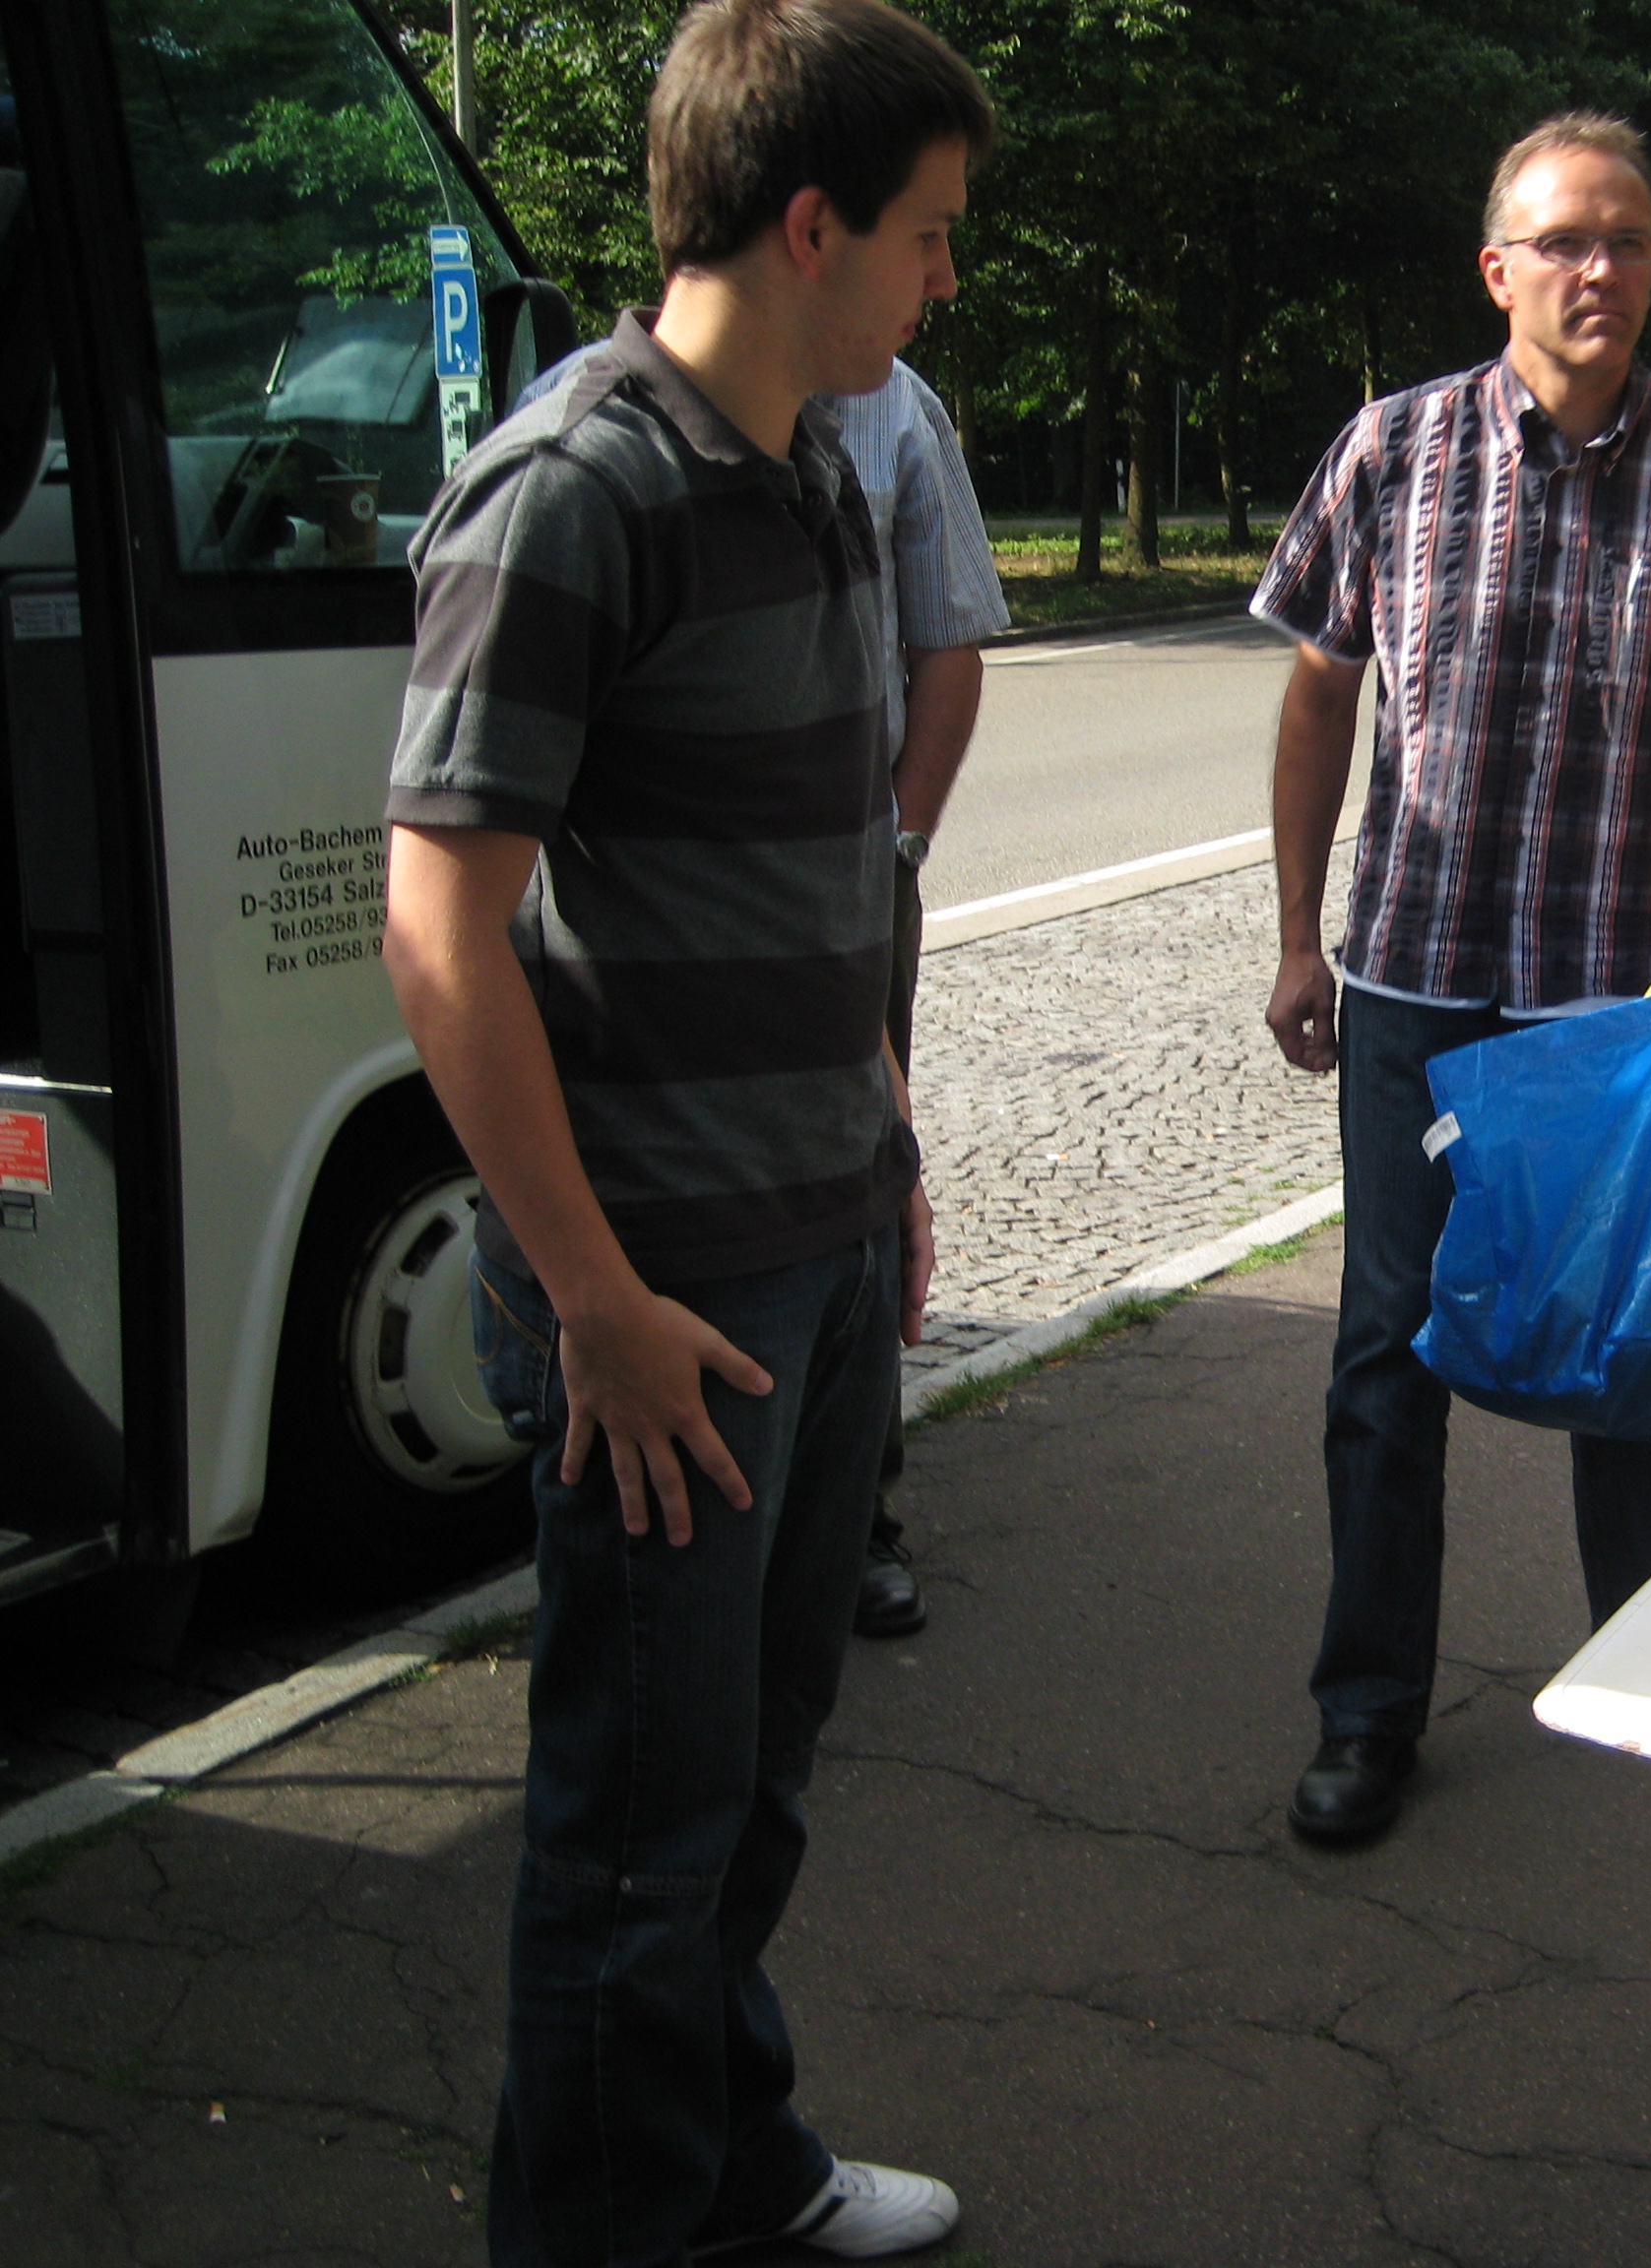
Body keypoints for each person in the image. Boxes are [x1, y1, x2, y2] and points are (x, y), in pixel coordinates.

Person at [380, 3, 990, 2258]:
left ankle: (732, 2166)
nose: (946, 280)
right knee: (632, 1839)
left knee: (747, 1788)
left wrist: (884, 1146)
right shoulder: (574, 491)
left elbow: (830, 875)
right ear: (811, 227)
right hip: (664, 1292)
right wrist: (593, 1300)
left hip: (816, 1243)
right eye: (928, 235)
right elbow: (439, 929)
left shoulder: (819, 462)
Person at [1255, 110, 1651, 1848]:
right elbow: (1317, 699)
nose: (1601, 270)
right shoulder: (1394, 450)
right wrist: (1297, 934)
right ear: (1497, 268)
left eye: (1629, 240)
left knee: (1628, 1354)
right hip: (1419, 984)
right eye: (1565, 241)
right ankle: (1367, 1713)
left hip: (1616, 1004)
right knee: (1388, 1356)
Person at [836, 360, 1011, 1639]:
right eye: (920, 256)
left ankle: (855, 1516)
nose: (942, 278)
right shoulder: (583, 423)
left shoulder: (896, 409)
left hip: (855, 871)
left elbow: (950, 640)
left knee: (862, 1171)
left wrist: (897, 852)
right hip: (669, 893)